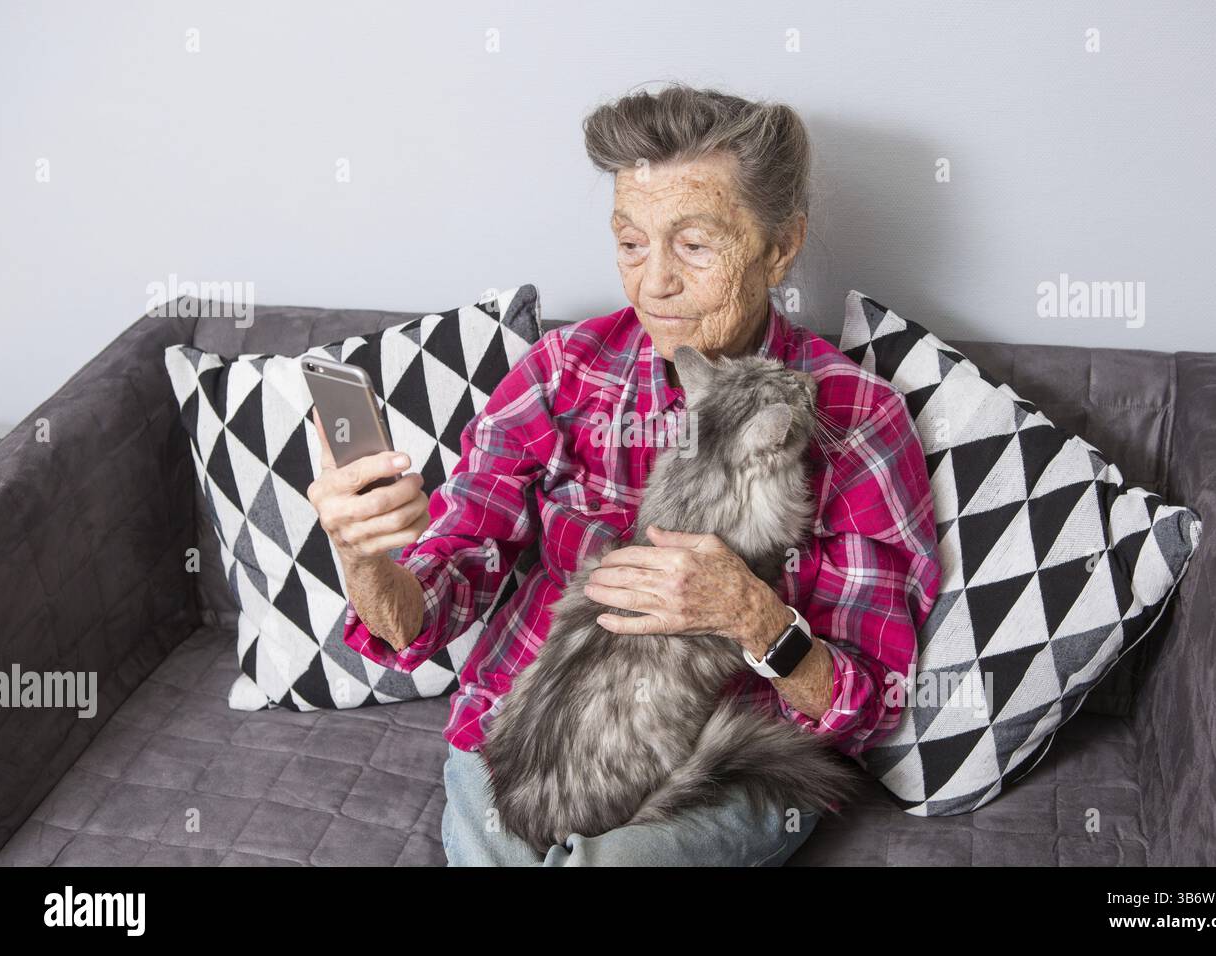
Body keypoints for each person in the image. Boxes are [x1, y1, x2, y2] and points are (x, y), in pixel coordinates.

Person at [307, 83, 941, 866]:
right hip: (530, 742)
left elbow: (869, 700)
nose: (653, 283)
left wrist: (751, 615)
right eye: (631, 243)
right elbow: (429, 610)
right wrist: (363, 557)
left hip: (722, 764)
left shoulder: (855, 417)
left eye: (695, 245)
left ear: (781, 246)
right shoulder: (561, 373)